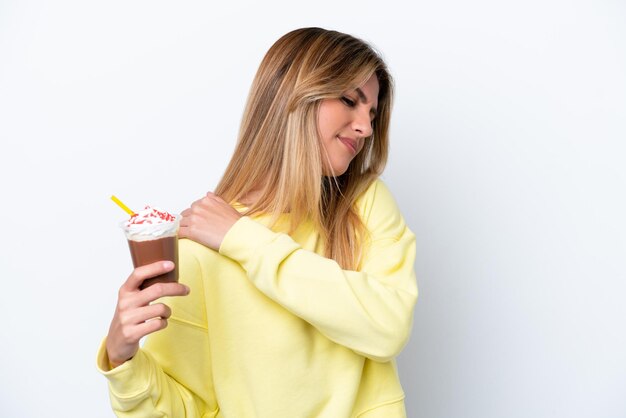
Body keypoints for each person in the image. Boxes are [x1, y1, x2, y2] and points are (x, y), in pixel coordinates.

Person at [97, 27, 418, 418]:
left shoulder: (364, 204)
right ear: (293, 99)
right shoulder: (197, 246)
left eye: (371, 113)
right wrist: (122, 360)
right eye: (350, 100)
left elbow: (388, 328)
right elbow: (186, 407)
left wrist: (241, 238)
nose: (366, 127)